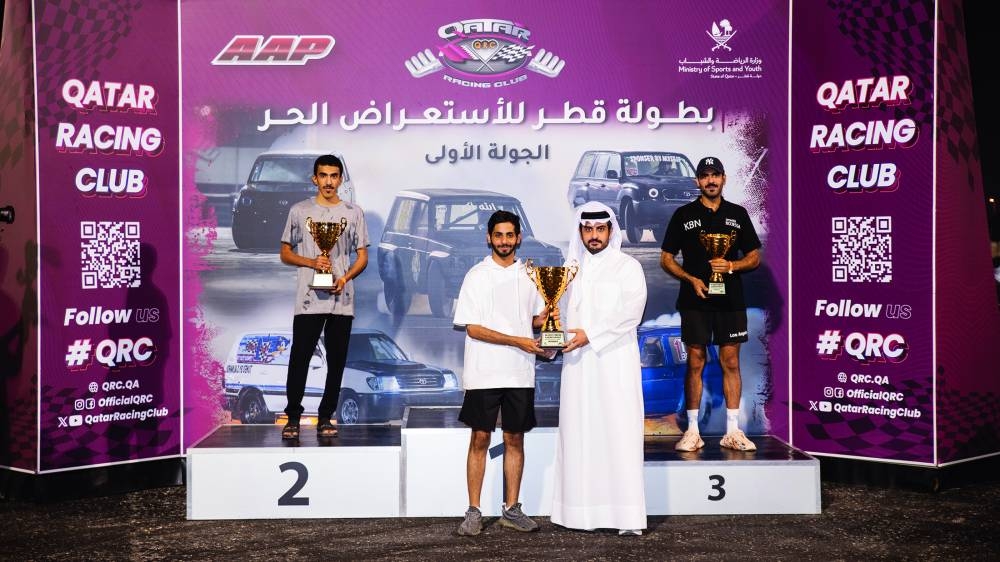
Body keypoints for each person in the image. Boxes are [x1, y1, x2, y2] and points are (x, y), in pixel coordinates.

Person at [551, 201, 648, 536]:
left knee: (619, 434)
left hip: (615, 365)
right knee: (579, 435)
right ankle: (578, 515)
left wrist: (589, 335)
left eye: (600, 229)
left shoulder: (628, 267)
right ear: (580, 231)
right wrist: (555, 335)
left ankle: (627, 518)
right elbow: (557, 315)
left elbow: (630, 314)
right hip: (577, 368)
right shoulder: (569, 270)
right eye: (588, 229)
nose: (594, 236)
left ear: (610, 230)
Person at [453, 210, 550, 536]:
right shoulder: (476, 276)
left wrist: (549, 315)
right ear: (489, 238)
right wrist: (517, 340)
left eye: (510, 235)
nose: (505, 241)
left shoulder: (531, 275)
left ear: (518, 237)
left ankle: (511, 509)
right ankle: (474, 512)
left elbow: (536, 320)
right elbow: (473, 328)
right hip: (484, 372)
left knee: (514, 439)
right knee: (480, 438)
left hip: (520, 373)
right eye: (499, 236)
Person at [660, 156, 761, 452]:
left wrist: (731, 266)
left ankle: (733, 430)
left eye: (715, 174)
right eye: (704, 176)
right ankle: (692, 431)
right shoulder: (683, 215)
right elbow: (665, 258)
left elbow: (754, 256)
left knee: (730, 361)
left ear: (724, 178)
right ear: (697, 182)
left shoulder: (738, 214)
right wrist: (691, 278)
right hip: (696, 300)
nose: (710, 180)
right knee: (695, 361)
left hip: (730, 301)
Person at [278, 154, 368, 440]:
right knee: (300, 357)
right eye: (323, 175)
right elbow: (285, 253)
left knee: (337, 360)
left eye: (334, 175)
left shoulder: (353, 212)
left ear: (340, 179)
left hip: (341, 298)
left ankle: (326, 415)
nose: (329, 181)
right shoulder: (299, 211)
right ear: (314, 179)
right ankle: (293, 416)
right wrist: (313, 263)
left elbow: (362, 256)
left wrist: (345, 277)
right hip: (308, 298)